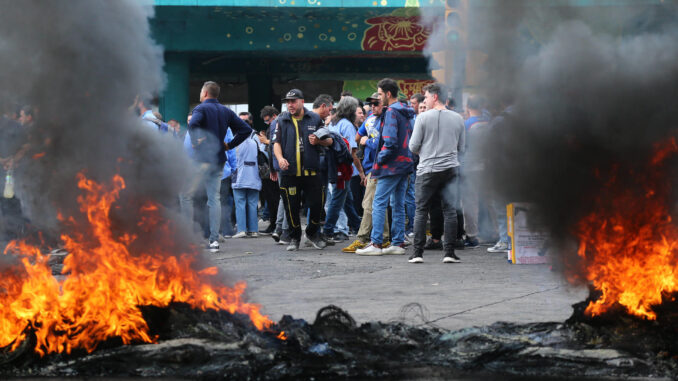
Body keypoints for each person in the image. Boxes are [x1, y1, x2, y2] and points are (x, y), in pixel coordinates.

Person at [181, 81, 252, 252]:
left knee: (185, 195)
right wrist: (230, 145)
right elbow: (245, 130)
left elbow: (193, 124)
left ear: (205, 93)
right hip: (219, 160)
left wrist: (197, 141)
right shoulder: (226, 111)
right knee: (214, 199)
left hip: (201, 159)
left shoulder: (200, 109)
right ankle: (214, 240)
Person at [408, 83, 465, 264]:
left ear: (434, 97)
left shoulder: (422, 118)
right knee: (449, 211)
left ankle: (417, 253)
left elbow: (413, 146)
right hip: (451, 169)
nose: (424, 100)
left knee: (421, 210)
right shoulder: (458, 118)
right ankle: (449, 253)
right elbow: (461, 147)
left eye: (425, 97)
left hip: (427, 170)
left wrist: (426, 150)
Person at [356, 78, 414, 256]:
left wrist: (378, 162)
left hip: (390, 166)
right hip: (405, 164)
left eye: (380, 94)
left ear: (388, 94)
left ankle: (376, 243)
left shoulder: (391, 113)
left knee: (378, 203)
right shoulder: (407, 112)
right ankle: (397, 243)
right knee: (398, 204)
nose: (379, 98)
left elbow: (389, 142)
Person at [271, 88, 327, 251]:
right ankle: (294, 237)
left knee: (317, 205)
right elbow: (276, 143)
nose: (290, 105)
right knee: (291, 208)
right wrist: (280, 159)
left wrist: (319, 141)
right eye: (288, 102)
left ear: (302, 101)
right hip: (290, 173)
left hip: (312, 172)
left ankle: (312, 233)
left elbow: (328, 140)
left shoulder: (315, 118)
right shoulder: (282, 120)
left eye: (293, 101)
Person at [343, 93, 390, 253]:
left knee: (369, 204)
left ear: (384, 104)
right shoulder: (371, 119)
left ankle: (362, 238)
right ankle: (383, 238)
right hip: (372, 166)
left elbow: (386, 143)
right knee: (377, 204)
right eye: (371, 104)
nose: (373, 106)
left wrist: (368, 141)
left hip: (381, 167)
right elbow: (357, 137)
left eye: (377, 103)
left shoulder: (388, 119)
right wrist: (367, 140)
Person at [322, 96, 363, 242]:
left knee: (346, 200)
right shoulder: (347, 125)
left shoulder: (333, 123)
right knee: (338, 200)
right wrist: (361, 172)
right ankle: (328, 229)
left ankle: (358, 227)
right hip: (344, 169)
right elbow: (353, 152)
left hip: (333, 166)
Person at [462, 94, 492, 249]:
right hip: (487, 166)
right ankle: (491, 232)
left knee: (470, 201)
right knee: (487, 199)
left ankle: (472, 234)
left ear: (468, 107)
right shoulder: (489, 123)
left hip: (470, 167)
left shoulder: (466, 124)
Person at [232, 131, 263, 238]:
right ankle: (253, 230)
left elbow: (232, 158)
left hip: (239, 177)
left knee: (240, 204)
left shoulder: (235, 140)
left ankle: (241, 229)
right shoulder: (256, 139)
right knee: (253, 204)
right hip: (254, 176)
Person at [257, 105, 280, 235]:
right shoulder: (273, 126)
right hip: (271, 167)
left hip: (275, 167)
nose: (267, 123)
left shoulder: (277, 126)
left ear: (274, 116)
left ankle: (275, 224)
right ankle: (274, 223)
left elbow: (277, 144)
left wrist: (266, 141)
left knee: (274, 198)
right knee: (271, 199)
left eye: (268, 120)